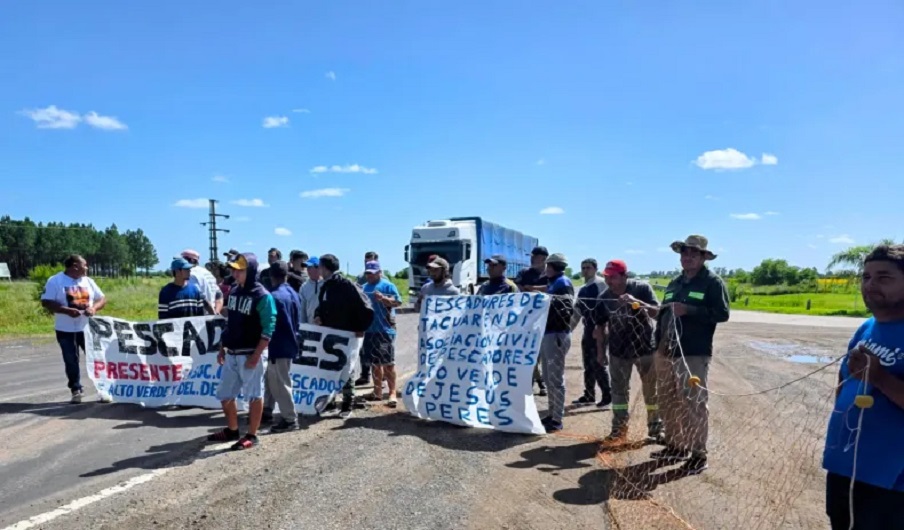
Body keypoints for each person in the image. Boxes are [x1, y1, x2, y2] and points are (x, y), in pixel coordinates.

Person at [822, 244, 904, 529]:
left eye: (884, 277)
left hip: (892, 480)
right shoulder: (866, 328)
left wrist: (880, 378)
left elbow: (873, 377)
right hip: (846, 465)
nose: (870, 285)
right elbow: (844, 382)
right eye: (866, 277)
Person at [652, 235, 730, 472]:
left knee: (693, 404)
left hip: (693, 353)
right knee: (667, 400)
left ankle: (698, 455)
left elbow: (722, 314)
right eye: (684, 254)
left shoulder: (712, 283)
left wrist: (689, 310)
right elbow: (665, 313)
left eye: (693, 254)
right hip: (666, 351)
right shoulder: (675, 283)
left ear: (703, 257)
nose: (687, 258)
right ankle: (676, 445)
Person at [207, 252, 276, 450]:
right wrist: (222, 347)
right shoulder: (235, 292)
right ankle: (232, 429)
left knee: (254, 395)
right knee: (224, 394)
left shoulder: (263, 296)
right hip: (233, 353)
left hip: (251, 353)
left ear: (251, 271)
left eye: (240, 270)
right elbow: (231, 323)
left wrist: (256, 355)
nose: (235, 274)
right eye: (234, 270)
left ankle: (252, 435)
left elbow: (268, 329)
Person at [593, 260, 662, 443]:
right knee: (619, 392)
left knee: (651, 391)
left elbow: (657, 313)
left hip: (645, 349)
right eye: (607, 277)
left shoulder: (642, 289)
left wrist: (636, 302)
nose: (609, 282)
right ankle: (619, 430)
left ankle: (656, 429)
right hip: (618, 352)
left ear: (625, 276)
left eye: (614, 277)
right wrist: (600, 352)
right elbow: (600, 327)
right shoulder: (604, 297)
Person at [40, 254, 107, 404]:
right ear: (75, 266)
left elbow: (102, 298)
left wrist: (94, 308)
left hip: (87, 329)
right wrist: (66, 310)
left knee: (95, 358)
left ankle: (102, 389)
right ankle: (76, 389)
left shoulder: (88, 281)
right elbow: (46, 302)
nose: (87, 268)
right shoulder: (55, 281)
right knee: (71, 360)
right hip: (65, 329)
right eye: (85, 265)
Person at [315, 253, 374, 419]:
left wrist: (360, 328)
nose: (318, 270)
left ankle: (348, 405)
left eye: (319, 266)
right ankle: (331, 402)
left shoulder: (347, 284)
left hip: (348, 334)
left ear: (325, 268)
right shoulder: (325, 285)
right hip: (330, 334)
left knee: (347, 370)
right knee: (330, 369)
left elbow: (366, 308)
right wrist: (318, 315)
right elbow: (322, 305)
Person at [539, 253, 575, 433]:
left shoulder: (563, 284)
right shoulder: (554, 283)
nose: (546, 269)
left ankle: (557, 418)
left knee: (555, 378)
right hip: (549, 334)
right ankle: (552, 412)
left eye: (547, 266)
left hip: (557, 335)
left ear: (552, 266)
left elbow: (566, 310)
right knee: (547, 376)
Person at [265, 261, 302, 433]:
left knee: (280, 384)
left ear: (271, 276)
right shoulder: (293, 293)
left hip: (277, 344)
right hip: (290, 342)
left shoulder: (272, 296)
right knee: (279, 381)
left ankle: (289, 419)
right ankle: (272, 411)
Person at [360, 260, 403, 407]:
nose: (370, 276)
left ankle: (392, 393)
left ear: (379, 272)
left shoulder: (388, 285)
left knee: (388, 363)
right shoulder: (364, 288)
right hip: (369, 330)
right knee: (375, 363)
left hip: (385, 330)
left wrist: (384, 299)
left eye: (372, 273)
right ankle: (377, 391)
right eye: (367, 273)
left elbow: (398, 302)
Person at [571, 258, 612, 409]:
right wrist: (569, 330)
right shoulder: (583, 289)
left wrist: (605, 327)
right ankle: (589, 394)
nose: (585, 270)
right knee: (587, 363)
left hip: (599, 328)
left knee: (598, 362)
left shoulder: (600, 284)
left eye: (588, 267)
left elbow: (607, 306)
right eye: (583, 268)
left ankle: (607, 394)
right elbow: (577, 312)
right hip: (587, 329)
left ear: (595, 269)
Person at [517, 246, 550, 396]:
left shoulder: (549, 274)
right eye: (531, 256)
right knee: (528, 353)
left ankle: (540, 381)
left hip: (544, 320)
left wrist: (532, 288)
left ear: (543, 259)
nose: (531, 259)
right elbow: (518, 289)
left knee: (539, 355)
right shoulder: (524, 273)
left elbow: (552, 289)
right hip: (526, 319)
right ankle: (534, 383)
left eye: (535, 256)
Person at [354, 250, 379, 384]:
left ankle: (380, 379)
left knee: (379, 351)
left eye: (370, 261)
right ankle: (365, 375)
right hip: (365, 321)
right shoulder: (360, 278)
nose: (367, 263)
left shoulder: (384, 279)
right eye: (366, 261)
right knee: (363, 351)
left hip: (379, 322)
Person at [180, 249, 223, 315]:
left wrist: (211, 312)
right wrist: (216, 311)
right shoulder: (208, 273)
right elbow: (219, 294)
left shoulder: (190, 273)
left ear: (191, 260)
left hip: (199, 317)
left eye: (183, 259)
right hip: (211, 315)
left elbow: (200, 297)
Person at [299, 256, 323, 325]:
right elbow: (302, 310)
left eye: (310, 268)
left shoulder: (326, 284)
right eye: (307, 268)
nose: (308, 270)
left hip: (325, 328)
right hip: (310, 327)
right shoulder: (304, 287)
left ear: (318, 268)